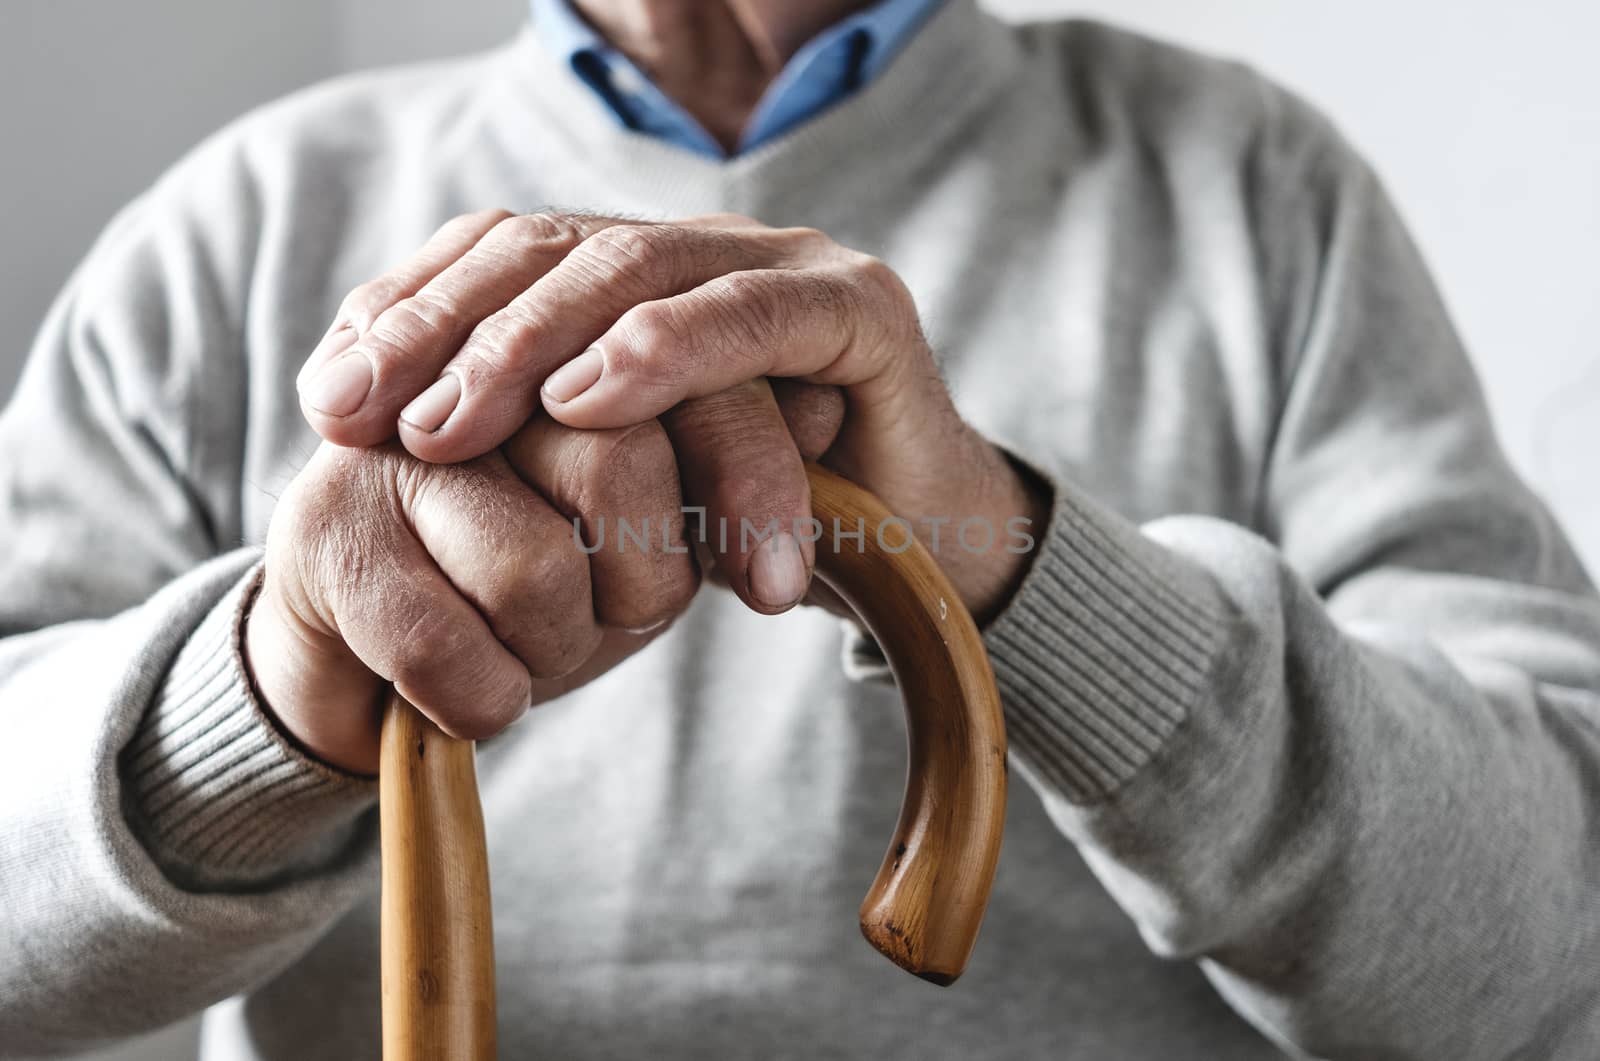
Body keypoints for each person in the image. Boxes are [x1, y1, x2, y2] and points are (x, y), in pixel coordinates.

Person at [2, 0, 1597, 1056]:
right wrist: (267, 695)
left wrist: (1019, 571)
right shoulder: (242, 224)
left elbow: (1548, 943)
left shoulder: (1257, 191)